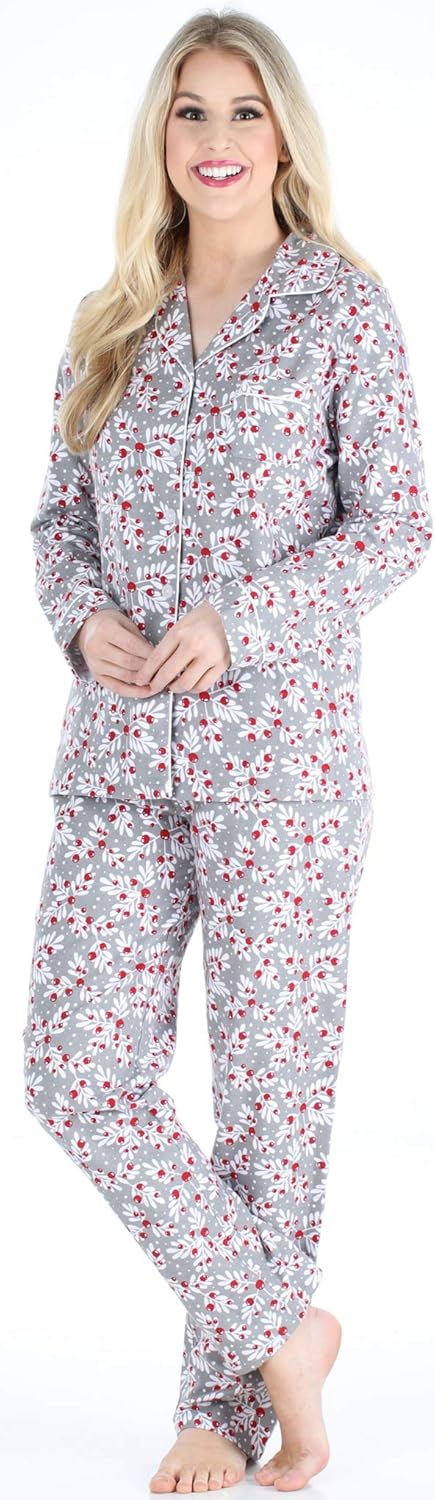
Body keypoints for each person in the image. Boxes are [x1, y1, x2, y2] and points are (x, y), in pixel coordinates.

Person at [24, 9, 432, 1494]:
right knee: (74, 1069)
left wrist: (239, 620)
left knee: (270, 1109)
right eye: (190, 111)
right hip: (119, 764)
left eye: (244, 111)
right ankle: (284, 1327)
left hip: (286, 776)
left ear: (283, 136)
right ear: (161, 136)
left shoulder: (341, 309)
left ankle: (226, 1407)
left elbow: (397, 521)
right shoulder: (109, 320)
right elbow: (57, 525)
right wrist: (82, 621)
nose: (215, 139)